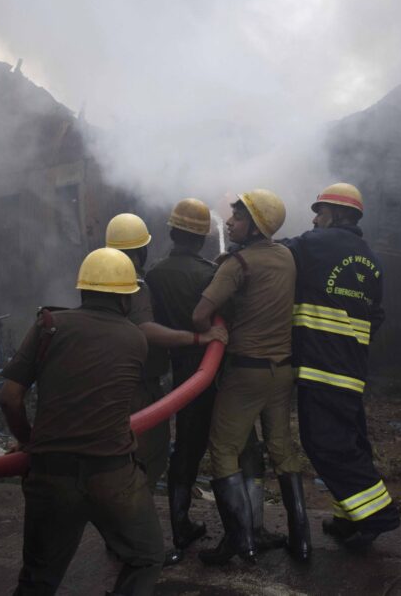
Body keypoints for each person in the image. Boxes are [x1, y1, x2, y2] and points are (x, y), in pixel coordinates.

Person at [0, 247, 163, 596]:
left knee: (37, 579)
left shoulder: (49, 327)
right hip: (113, 475)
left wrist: (28, 439)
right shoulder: (135, 339)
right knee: (146, 556)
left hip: (51, 474)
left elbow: (10, 396)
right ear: (125, 300)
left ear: (82, 290)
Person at [144, 199, 283, 559]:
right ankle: (249, 527)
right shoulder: (211, 274)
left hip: (184, 375)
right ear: (204, 238)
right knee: (243, 449)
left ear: (172, 232)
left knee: (186, 452)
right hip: (221, 374)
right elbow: (231, 319)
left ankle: (180, 528)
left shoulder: (155, 275)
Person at [192, 189, 311, 565]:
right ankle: (301, 540)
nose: (229, 222)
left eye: (238, 217)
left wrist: (215, 328)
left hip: (245, 372)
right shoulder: (287, 257)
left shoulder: (236, 265)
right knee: (282, 449)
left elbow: (199, 315)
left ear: (256, 226)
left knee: (224, 449)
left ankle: (239, 540)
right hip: (282, 372)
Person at [284, 183, 400, 549]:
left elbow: (274, 254)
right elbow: (376, 315)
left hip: (320, 366)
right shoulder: (371, 259)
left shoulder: (313, 244)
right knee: (349, 440)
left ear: (336, 214)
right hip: (350, 367)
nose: (315, 219)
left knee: (324, 443)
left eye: (320, 212)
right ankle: (347, 519)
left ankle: (377, 515)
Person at [105, 213, 227, 495]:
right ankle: (132, 522)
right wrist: (199, 337)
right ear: (140, 250)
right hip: (140, 386)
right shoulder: (138, 285)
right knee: (150, 457)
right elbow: (146, 329)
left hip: (109, 382)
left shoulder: (100, 280)